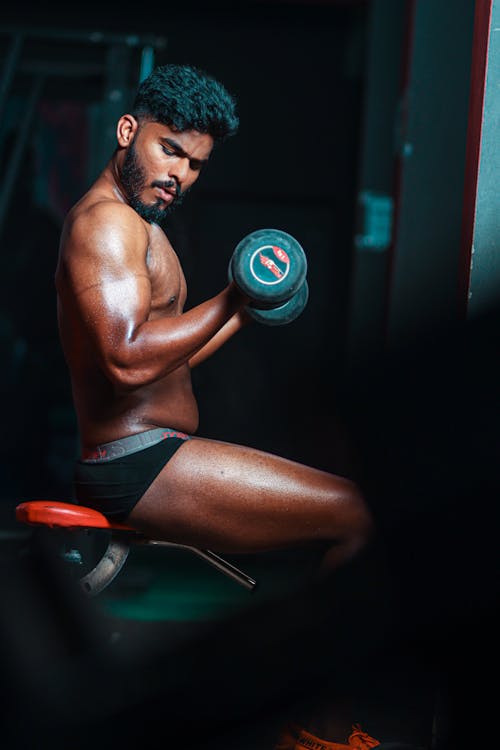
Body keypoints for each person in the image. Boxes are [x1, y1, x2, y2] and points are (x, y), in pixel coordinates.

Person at [55, 63, 378, 749]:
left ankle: (311, 718)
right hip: (138, 466)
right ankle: (316, 732)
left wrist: (244, 312)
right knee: (358, 515)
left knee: (352, 519)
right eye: (170, 149)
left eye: (197, 163)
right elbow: (126, 357)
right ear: (128, 130)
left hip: (156, 456)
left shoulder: (144, 225)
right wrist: (233, 296)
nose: (182, 173)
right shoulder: (107, 226)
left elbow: (161, 360)